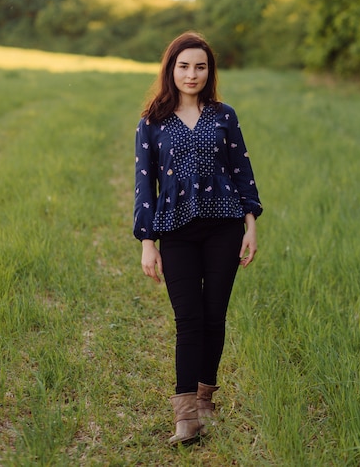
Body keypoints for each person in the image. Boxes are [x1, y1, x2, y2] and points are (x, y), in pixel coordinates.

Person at [133, 31, 263, 444]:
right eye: (184, 66)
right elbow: (144, 187)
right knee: (188, 319)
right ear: (171, 69)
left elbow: (242, 170)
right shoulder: (152, 123)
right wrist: (147, 242)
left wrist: (251, 224)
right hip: (176, 230)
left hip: (225, 226)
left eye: (200, 67)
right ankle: (185, 415)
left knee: (214, 316)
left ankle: (207, 399)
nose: (192, 74)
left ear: (210, 71)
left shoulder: (224, 115)